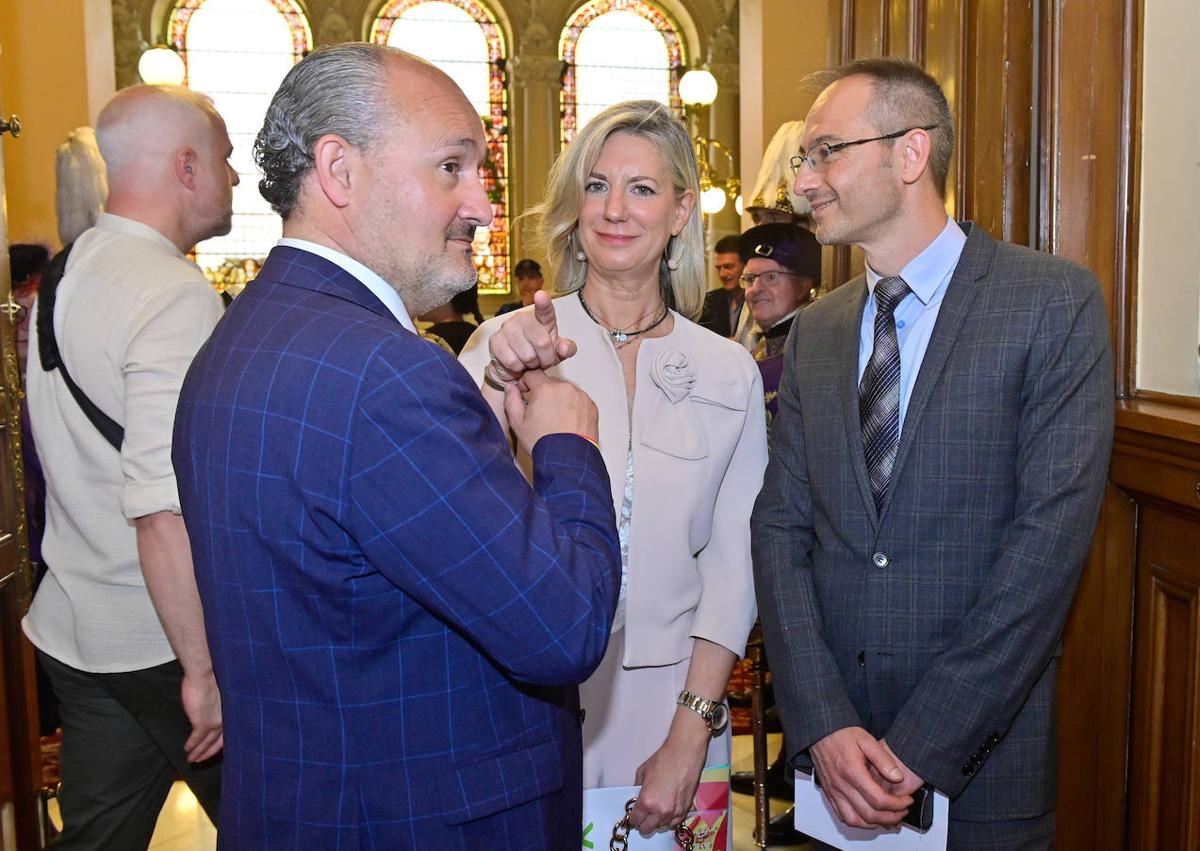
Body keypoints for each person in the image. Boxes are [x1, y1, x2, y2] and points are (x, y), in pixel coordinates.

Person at [172, 43, 622, 848]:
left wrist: (480, 413)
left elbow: (348, 569)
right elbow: (566, 625)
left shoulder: (239, 337)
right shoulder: (386, 369)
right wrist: (565, 445)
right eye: (452, 166)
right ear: (339, 170)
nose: (483, 204)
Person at [752, 57, 1114, 850]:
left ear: (910, 153)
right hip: (834, 769)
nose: (804, 180)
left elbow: (1045, 553)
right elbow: (781, 530)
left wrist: (921, 745)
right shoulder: (814, 331)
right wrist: (823, 721)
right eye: (802, 160)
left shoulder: (1052, 302)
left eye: (825, 152)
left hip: (982, 767)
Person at [460, 99, 767, 838]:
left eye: (642, 188)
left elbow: (734, 564)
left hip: (675, 703)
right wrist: (500, 401)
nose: (615, 210)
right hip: (522, 694)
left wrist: (692, 730)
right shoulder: (505, 346)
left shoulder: (727, 370)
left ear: (681, 209)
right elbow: (463, 534)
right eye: (596, 185)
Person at [23, 84, 235, 849]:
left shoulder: (67, 268)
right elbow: (160, 505)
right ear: (186, 166)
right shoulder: (172, 293)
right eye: (225, 158)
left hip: (80, 629)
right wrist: (202, 671)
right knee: (283, 822)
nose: (235, 178)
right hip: (161, 637)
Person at [740, 222, 822, 425]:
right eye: (750, 279)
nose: (755, 289)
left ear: (804, 286)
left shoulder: (814, 351)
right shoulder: (757, 349)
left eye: (771, 277)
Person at [697, 234, 746, 337]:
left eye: (728, 267)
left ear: (745, 266)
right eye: (719, 268)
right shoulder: (708, 302)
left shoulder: (756, 299)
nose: (722, 274)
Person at [420, 284, 483, 353]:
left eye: (426, 292)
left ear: (445, 298)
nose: (419, 299)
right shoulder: (479, 335)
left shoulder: (429, 339)